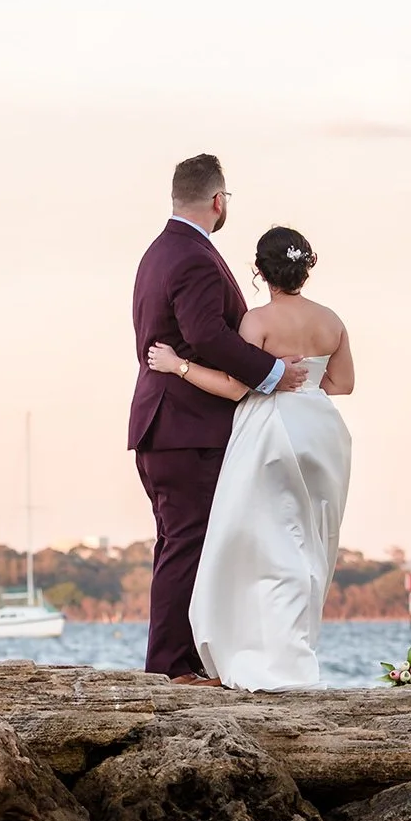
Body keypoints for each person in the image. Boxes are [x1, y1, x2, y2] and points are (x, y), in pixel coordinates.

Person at [127, 155, 312, 681]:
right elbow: (207, 334)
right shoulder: (192, 258)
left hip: (164, 424)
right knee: (187, 543)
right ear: (217, 200)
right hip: (186, 427)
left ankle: (177, 662)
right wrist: (273, 372)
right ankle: (170, 668)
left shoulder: (158, 253)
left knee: (181, 542)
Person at [146, 225, 354, 690]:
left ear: (259, 271)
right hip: (321, 433)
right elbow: (342, 385)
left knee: (253, 543)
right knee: (307, 545)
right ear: (307, 267)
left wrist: (177, 366)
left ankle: (244, 658)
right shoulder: (332, 321)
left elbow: (237, 385)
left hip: (270, 432)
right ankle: (293, 653)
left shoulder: (257, 322)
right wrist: (308, 383)